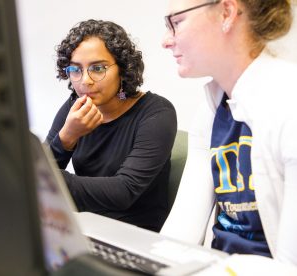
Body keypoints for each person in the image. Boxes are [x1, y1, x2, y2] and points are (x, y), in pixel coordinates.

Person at [160, 0, 297, 265]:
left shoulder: (289, 104)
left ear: (226, 12)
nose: (166, 41)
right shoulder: (210, 111)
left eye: (176, 23)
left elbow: (291, 266)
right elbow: (182, 230)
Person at [46, 19, 177, 232]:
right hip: (86, 228)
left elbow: (124, 192)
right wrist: (67, 138)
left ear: (123, 69)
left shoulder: (157, 113)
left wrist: (45, 180)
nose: (85, 80)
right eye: (75, 69)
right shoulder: (74, 106)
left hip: (136, 235)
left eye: (98, 68)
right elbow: (42, 173)